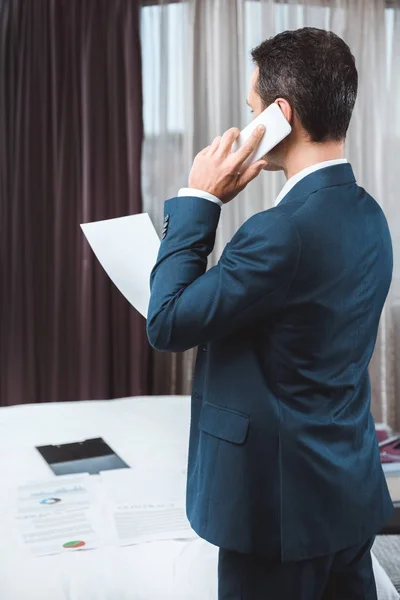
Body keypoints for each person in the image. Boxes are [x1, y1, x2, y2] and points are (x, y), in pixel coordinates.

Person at [146, 27, 394, 600]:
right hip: (347, 495)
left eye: (253, 109)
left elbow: (167, 322)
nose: (249, 121)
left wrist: (200, 199)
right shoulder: (370, 215)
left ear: (282, 115)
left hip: (278, 511)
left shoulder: (280, 232)